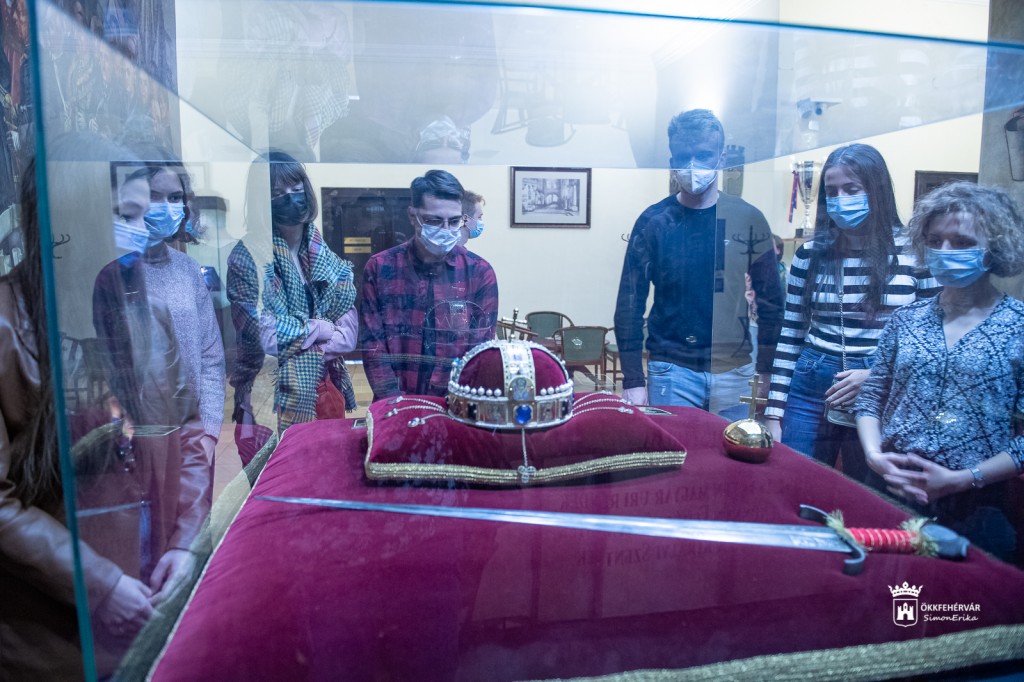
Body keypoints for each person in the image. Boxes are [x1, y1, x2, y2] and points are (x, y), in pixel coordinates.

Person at [856, 182, 1024, 561]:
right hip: (890, 486)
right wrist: (874, 455)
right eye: (935, 241)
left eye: (962, 243)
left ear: (994, 248)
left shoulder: (1019, 326)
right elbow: (871, 397)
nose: (945, 252)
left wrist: (962, 479)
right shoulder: (906, 319)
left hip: (976, 501)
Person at [765, 144, 939, 484]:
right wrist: (773, 414)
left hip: (884, 385)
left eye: (851, 189)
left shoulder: (916, 252)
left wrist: (877, 375)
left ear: (876, 190)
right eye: (832, 192)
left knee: (871, 490)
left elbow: (934, 337)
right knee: (797, 483)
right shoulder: (810, 253)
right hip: (813, 381)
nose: (840, 199)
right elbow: (791, 333)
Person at [613, 108, 776, 418]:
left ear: (721, 157)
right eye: (683, 157)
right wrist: (633, 379)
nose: (692, 165)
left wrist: (767, 369)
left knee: (733, 450)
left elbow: (771, 302)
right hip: (672, 370)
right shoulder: (653, 221)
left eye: (703, 155)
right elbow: (629, 304)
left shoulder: (748, 218)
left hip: (735, 371)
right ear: (671, 160)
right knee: (677, 450)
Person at [228, 151, 359, 433]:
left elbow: (348, 337)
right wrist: (318, 328)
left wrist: (296, 342)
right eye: (277, 193)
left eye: (296, 189)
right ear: (261, 200)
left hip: (325, 388)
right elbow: (265, 336)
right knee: (274, 463)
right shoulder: (246, 257)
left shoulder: (324, 255)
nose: (289, 198)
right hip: (266, 394)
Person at [359, 169, 498, 401]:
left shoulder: (479, 272)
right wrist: (394, 404)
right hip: (394, 402)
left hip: (457, 402)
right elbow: (374, 347)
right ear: (412, 216)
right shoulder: (381, 268)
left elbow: (480, 351)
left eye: (454, 221)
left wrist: (458, 403)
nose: (445, 230)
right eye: (434, 220)